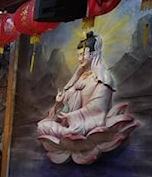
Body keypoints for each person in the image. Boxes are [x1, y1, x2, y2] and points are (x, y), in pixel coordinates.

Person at [36, 32, 139, 165]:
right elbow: (64, 108)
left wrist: (71, 117)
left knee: (71, 133)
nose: (80, 59)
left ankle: (70, 138)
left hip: (87, 124)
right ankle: (68, 136)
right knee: (42, 125)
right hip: (71, 125)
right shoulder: (78, 77)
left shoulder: (103, 79)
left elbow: (97, 108)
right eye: (78, 55)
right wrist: (58, 102)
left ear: (93, 54)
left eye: (83, 54)